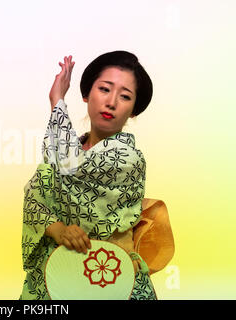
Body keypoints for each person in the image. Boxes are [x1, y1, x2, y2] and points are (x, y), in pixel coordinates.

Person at [19, 50, 164, 300]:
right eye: (105, 89)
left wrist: (57, 100)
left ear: (133, 111)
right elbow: (35, 195)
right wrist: (58, 229)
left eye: (125, 96)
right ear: (87, 95)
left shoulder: (127, 159)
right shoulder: (71, 145)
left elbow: (67, 165)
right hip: (57, 271)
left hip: (111, 277)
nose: (112, 102)